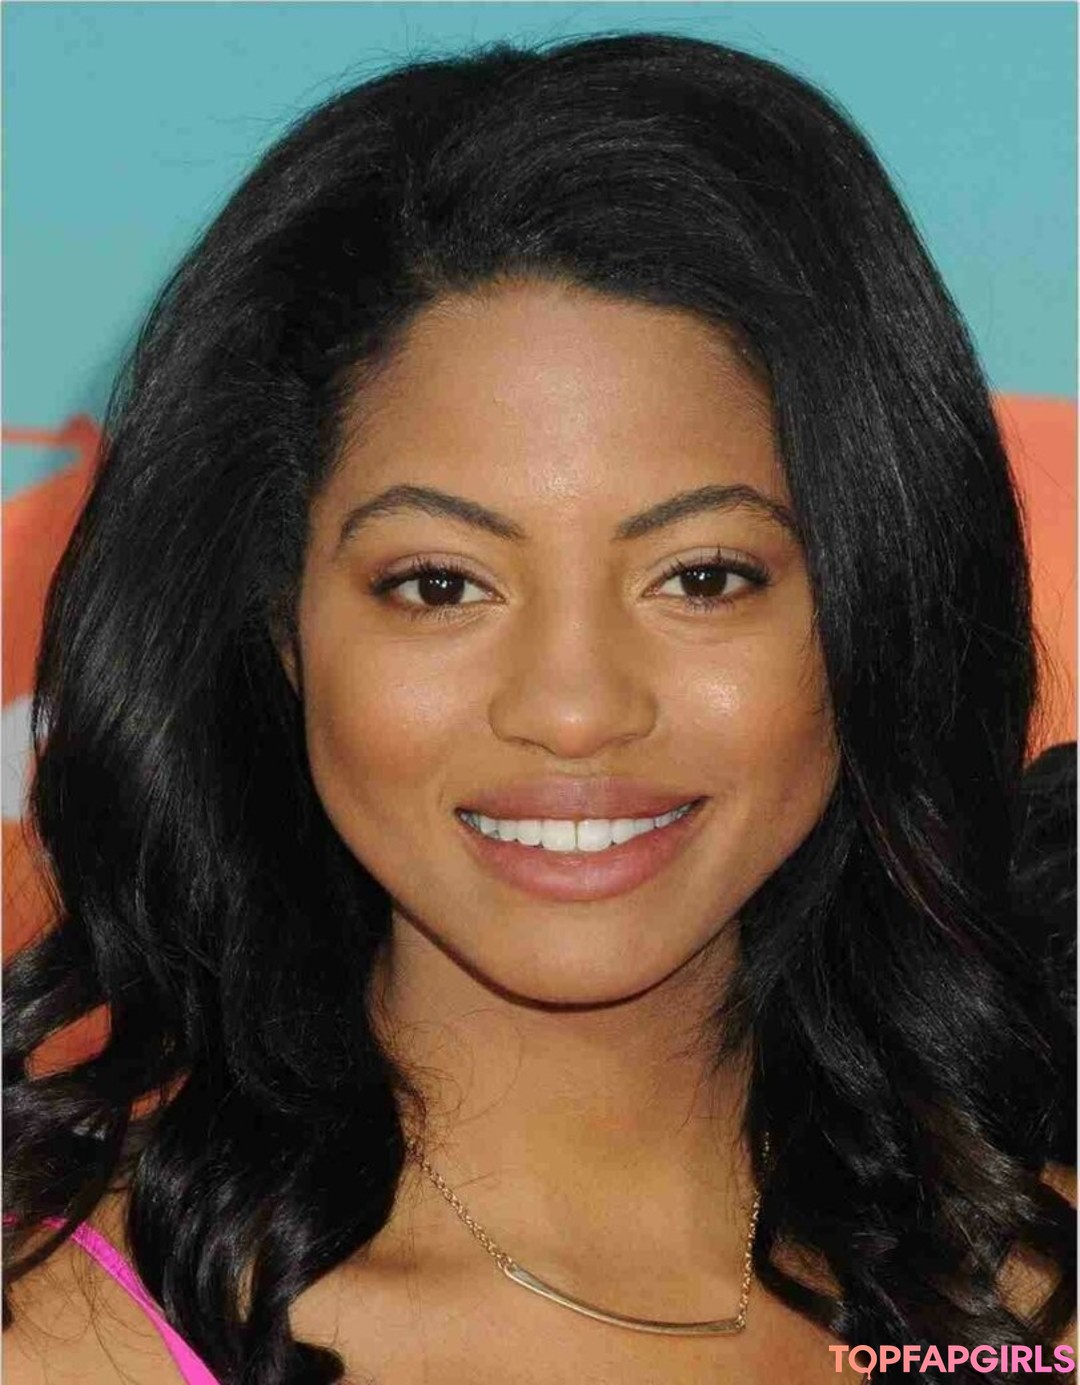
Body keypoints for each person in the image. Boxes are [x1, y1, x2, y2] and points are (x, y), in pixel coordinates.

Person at [3, 31, 1075, 1385]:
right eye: (441, 584)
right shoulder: (62, 1339)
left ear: (876, 611)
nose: (574, 711)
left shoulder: (1035, 1314)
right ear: (284, 628)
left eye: (703, 576)